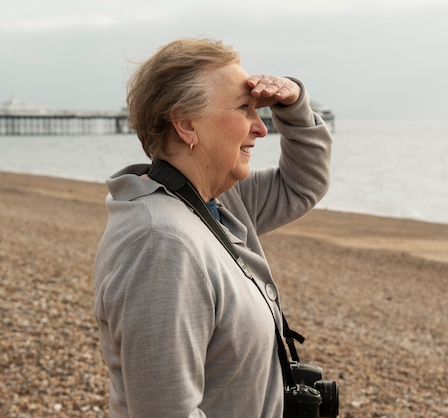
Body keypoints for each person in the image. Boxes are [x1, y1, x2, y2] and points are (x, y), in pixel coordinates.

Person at [93, 38, 332, 417]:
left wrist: (294, 104)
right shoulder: (161, 244)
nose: (260, 128)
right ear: (186, 124)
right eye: (244, 109)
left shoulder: (216, 202)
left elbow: (302, 184)